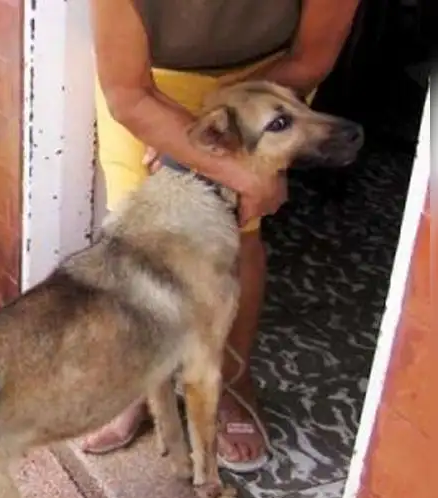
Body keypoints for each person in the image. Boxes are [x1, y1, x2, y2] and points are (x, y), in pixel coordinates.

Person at [84, 0, 361, 471]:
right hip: (151, 86)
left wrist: (220, 136)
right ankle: (135, 382)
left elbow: (311, 57)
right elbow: (128, 95)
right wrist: (184, 133)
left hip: (269, 83)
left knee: (238, 239)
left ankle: (232, 381)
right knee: (138, 243)